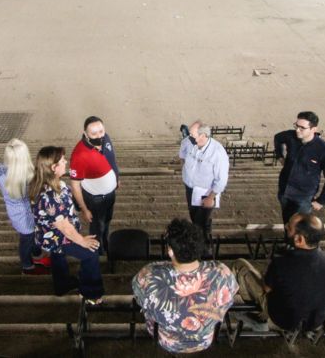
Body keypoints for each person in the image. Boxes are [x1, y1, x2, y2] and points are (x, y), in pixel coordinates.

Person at [132, 218, 237, 354]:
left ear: (170, 251)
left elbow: (139, 297)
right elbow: (231, 295)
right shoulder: (222, 272)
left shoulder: (149, 274)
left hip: (167, 341)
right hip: (205, 339)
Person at [231, 214, 325, 332]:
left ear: (299, 239)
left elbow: (266, 289)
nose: (286, 226)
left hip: (284, 321)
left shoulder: (281, 263)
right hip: (315, 321)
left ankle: (259, 318)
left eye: (289, 227)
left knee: (240, 265)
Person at [30, 146, 104, 304]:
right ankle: (91, 294)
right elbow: (65, 228)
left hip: (53, 234)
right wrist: (82, 241)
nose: (66, 162)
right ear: (53, 167)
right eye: (62, 160)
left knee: (58, 256)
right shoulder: (49, 196)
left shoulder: (56, 183)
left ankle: (62, 285)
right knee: (90, 254)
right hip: (57, 237)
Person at [0, 139, 49, 275]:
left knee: (31, 235)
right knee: (26, 239)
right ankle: (27, 266)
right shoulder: (31, 172)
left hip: (16, 212)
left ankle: (37, 254)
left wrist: (1, 187)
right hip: (27, 212)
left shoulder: (0, 170)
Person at [274, 111, 325, 225]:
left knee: (300, 227)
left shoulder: (324, 150)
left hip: (303, 198)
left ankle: (297, 242)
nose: (297, 130)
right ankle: (288, 242)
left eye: (302, 128)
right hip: (284, 192)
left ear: (314, 129)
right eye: (296, 126)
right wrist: (280, 156)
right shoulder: (290, 136)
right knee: (287, 225)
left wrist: (321, 201)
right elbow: (277, 137)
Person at [69, 116, 120, 255]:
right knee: (98, 226)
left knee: (107, 220)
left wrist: (116, 177)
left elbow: (111, 158)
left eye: (101, 131)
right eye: (94, 133)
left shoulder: (106, 138)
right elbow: (75, 185)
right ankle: (98, 251)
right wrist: (84, 209)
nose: (99, 136)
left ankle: (105, 242)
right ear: (85, 134)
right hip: (95, 199)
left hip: (110, 194)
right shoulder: (79, 155)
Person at [180, 122, 229, 244]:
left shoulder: (218, 153)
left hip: (205, 192)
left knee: (199, 221)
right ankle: (201, 236)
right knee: (193, 215)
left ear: (203, 135)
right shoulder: (188, 142)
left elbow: (221, 179)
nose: (189, 137)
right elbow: (182, 155)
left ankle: (203, 244)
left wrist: (210, 197)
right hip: (190, 188)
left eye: (192, 135)